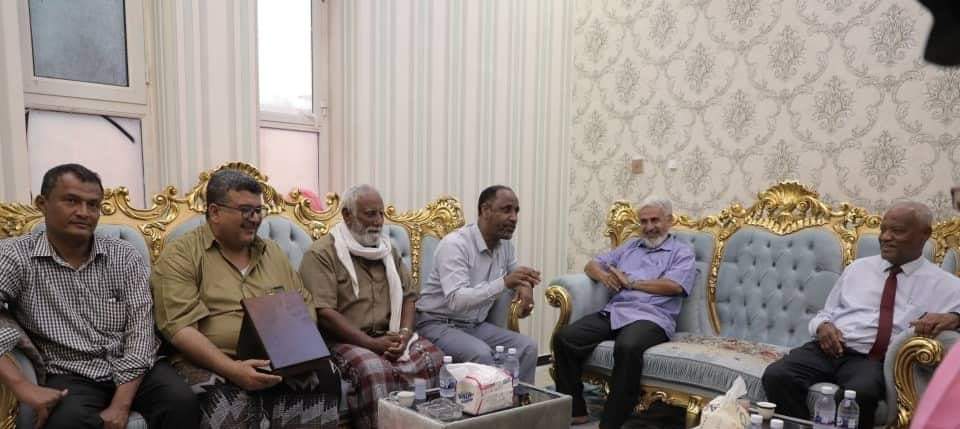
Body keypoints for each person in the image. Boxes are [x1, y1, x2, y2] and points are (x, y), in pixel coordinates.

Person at [0, 163, 200, 429]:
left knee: (181, 402)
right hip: (69, 372)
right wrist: (22, 385)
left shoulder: (123, 255)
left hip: (137, 369)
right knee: (66, 422)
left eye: (92, 205)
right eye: (71, 201)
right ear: (42, 204)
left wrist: (121, 404)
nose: (83, 212)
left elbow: (141, 332)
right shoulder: (16, 256)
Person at [151, 169, 339, 428]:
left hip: (277, 356)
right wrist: (232, 369)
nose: (255, 219)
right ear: (215, 212)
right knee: (226, 402)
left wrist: (295, 351)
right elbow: (179, 328)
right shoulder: (181, 255)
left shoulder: (272, 252)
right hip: (210, 361)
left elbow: (303, 302)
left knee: (325, 375)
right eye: (246, 211)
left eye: (259, 211)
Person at [762, 202, 960, 429]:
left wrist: (955, 318)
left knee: (858, 394)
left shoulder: (946, 285)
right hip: (827, 349)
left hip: (870, 361)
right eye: (883, 230)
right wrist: (822, 326)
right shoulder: (858, 268)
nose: (885, 237)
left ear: (924, 234)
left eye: (897, 231)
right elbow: (826, 313)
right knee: (777, 375)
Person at [299, 184, 443, 429]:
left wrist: (404, 335)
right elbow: (325, 313)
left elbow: (409, 297)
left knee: (434, 359)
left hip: (390, 335)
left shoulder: (387, 250)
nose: (378, 221)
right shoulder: (322, 253)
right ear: (347, 215)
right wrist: (371, 344)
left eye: (381, 214)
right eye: (370, 214)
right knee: (374, 370)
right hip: (343, 340)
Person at [552, 197, 696, 429]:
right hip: (617, 311)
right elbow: (591, 265)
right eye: (644, 221)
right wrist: (605, 276)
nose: (649, 227)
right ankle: (575, 410)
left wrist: (631, 283)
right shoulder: (630, 247)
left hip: (652, 317)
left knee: (627, 347)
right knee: (565, 338)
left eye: (655, 220)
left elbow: (674, 286)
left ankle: (613, 422)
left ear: (669, 221)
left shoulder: (681, 252)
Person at [415, 185, 540, 383]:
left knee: (527, 347)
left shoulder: (505, 245)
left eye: (516, 211)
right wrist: (505, 282)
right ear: (485, 210)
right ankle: (489, 403)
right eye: (506, 210)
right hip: (436, 323)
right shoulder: (455, 245)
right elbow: (457, 300)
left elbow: (516, 273)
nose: (514, 218)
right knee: (481, 354)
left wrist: (526, 290)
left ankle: (519, 401)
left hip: (473, 325)